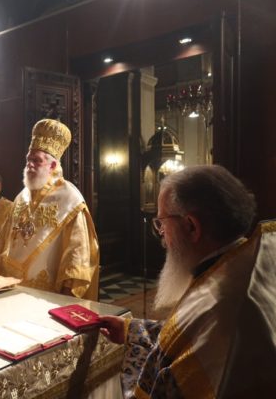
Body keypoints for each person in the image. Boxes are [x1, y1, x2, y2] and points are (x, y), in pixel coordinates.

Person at [100, 164, 276, 397]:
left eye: (162, 223)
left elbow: (163, 387)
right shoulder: (245, 264)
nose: (161, 234)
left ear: (192, 227)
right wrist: (132, 330)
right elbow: (190, 336)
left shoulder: (220, 304)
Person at [0, 119, 99, 299]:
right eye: (28, 159)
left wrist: (67, 299)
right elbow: (2, 241)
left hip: (46, 297)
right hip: (8, 291)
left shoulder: (70, 200)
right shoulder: (22, 197)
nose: (29, 164)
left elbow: (77, 256)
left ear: (53, 165)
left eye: (36, 160)